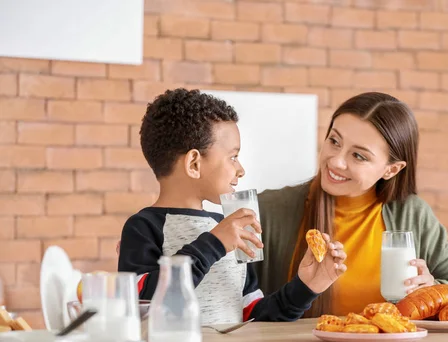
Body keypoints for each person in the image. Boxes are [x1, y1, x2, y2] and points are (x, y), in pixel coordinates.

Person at [117, 88, 347, 324]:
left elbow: (255, 314)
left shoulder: (227, 227)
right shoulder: (143, 227)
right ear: (194, 163)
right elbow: (140, 303)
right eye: (233, 157)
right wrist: (214, 244)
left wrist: (307, 286)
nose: (241, 170)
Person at [256, 92, 448, 317]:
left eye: (359, 156)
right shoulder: (268, 210)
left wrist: (433, 290)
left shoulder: (412, 214)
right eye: (334, 141)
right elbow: (235, 306)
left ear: (391, 169)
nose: (335, 161)